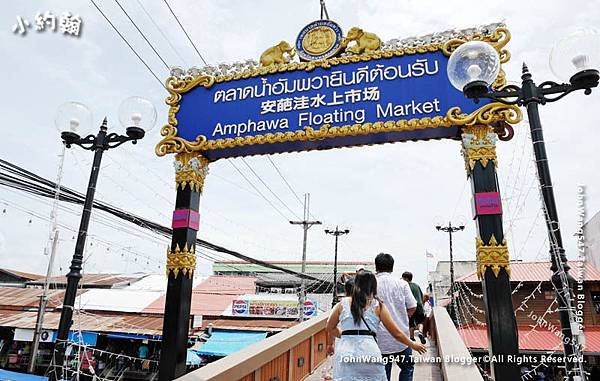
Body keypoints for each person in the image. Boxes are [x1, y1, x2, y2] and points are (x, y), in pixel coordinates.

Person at [326, 270, 426, 381]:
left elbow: (329, 327)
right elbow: (396, 334)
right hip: (369, 351)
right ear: (374, 286)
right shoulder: (378, 305)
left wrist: (345, 335)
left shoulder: (342, 304)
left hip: (346, 352)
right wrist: (413, 344)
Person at [375, 253, 418, 381]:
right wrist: (403, 316)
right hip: (402, 337)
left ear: (376, 267)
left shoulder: (371, 284)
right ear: (392, 268)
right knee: (407, 367)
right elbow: (412, 306)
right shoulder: (402, 284)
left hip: (379, 338)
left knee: (383, 373)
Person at [402, 271, 426, 345]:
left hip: (410, 306)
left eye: (403, 278)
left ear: (406, 278)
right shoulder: (416, 285)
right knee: (420, 321)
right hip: (419, 306)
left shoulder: (405, 286)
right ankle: (420, 332)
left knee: (411, 322)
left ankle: (412, 338)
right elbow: (422, 296)